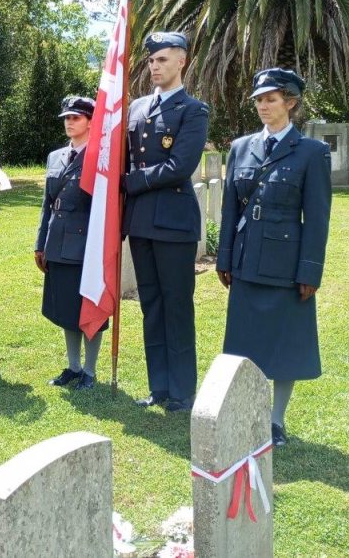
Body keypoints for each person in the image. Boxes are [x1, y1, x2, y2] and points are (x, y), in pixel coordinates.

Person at [216, 68, 332, 447]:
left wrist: (310, 270)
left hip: (286, 264)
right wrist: (225, 258)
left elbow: (317, 218)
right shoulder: (241, 147)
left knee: (285, 343)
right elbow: (231, 208)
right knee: (243, 342)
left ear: (290, 103)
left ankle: (275, 421)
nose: (263, 106)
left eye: (271, 99)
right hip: (248, 258)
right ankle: (242, 411)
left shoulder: (311, 152)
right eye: (259, 100)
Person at [122, 32, 209, 412]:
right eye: (152, 60)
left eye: (163, 60)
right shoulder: (138, 107)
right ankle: (159, 386)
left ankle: (182, 390)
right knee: (150, 305)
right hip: (141, 222)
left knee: (176, 305)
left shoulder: (194, 111)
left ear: (181, 62)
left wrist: (133, 181)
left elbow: (179, 167)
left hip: (173, 223)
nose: (155, 67)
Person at [35, 96, 105, 390]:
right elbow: (47, 204)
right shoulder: (55, 157)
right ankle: (73, 366)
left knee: (88, 308)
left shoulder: (101, 158)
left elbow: (105, 207)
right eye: (66, 117)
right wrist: (41, 242)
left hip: (86, 244)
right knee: (65, 307)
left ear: (91, 121)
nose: (69, 122)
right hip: (58, 241)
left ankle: (89, 370)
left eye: (76, 117)